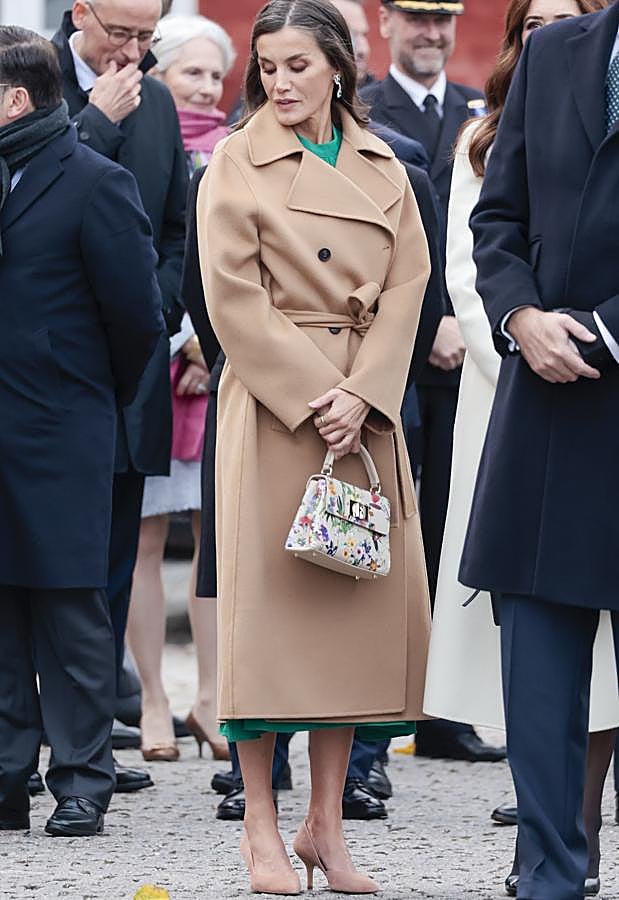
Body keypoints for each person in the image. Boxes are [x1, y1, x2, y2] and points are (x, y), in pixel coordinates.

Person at [198, 0, 432, 892]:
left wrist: (365, 392)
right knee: (266, 627)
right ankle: (259, 822)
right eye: (266, 66)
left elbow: (410, 286)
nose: (280, 82)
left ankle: (324, 827)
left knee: (347, 628)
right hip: (274, 410)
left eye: (297, 64)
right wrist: (312, 395)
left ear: (336, 64)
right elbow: (230, 296)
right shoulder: (235, 160)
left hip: (360, 417)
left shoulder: (386, 165)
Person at [423, 0, 617, 894]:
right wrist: (518, 315)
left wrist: (601, 332)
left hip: (592, 365)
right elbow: (496, 220)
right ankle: (548, 876)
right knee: (536, 678)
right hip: (547, 410)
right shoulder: (556, 53)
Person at [0, 26, 165, 837]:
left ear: (13, 98)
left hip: (63, 426)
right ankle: (3, 775)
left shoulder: (92, 179)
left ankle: (79, 780)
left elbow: (137, 317)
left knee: (69, 609)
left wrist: (84, 391)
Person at [52, 0, 188, 791]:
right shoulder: (25, 81)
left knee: (108, 560)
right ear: (80, 12)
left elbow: (173, 229)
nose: (132, 52)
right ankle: (25, 740)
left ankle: (88, 741)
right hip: (40, 371)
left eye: (147, 37)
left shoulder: (159, 100)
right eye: (120, 33)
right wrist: (94, 123)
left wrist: (156, 309)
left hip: (130, 369)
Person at [362, 0, 501, 764]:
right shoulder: (364, 108)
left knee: (453, 534)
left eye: (442, 20)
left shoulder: (475, 113)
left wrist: (459, 322)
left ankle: (444, 712)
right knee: (378, 531)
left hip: (463, 365)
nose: (431, 33)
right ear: (387, 24)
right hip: (398, 361)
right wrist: (431, 322)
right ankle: (376, 718)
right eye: (415, 19)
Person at [126, 13, 235, 763]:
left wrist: (212, 344)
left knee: (216, 543)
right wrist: (177, 337)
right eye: (189, 71)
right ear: (158, 75)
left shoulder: (238, 152)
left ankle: (211, 695)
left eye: (213, 73)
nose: (204, 85)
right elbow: (140, 244)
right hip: (151, 362)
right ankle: (152, 699)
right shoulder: (140, 139)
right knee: (144, 537)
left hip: (216, 369)